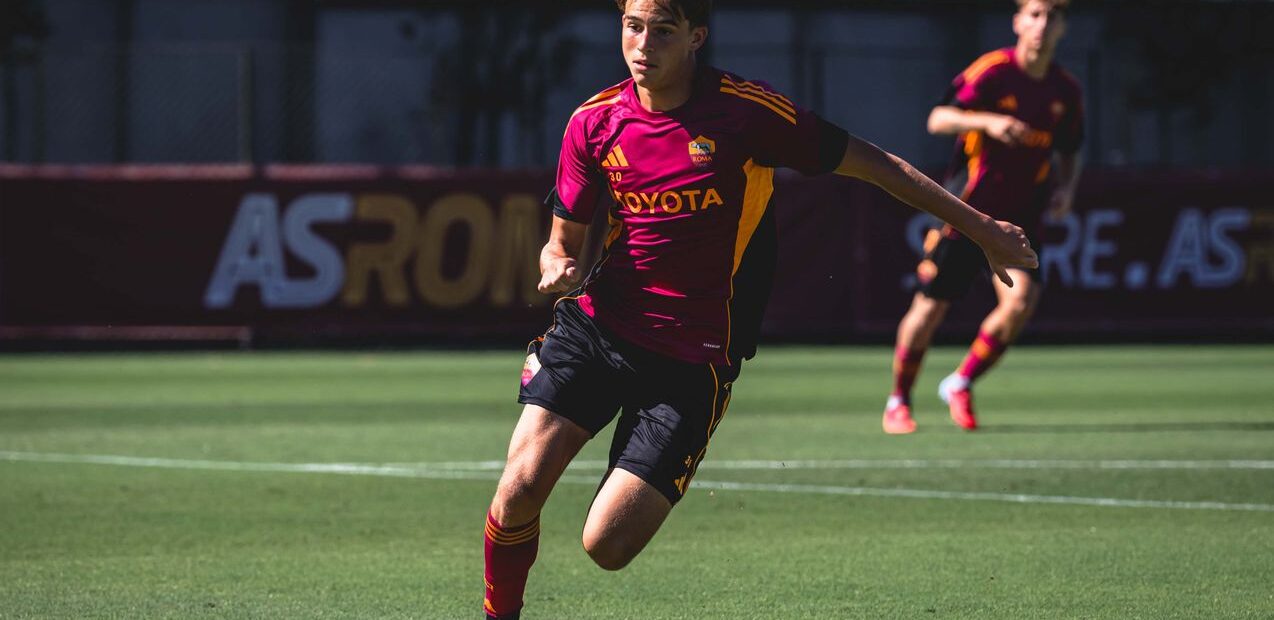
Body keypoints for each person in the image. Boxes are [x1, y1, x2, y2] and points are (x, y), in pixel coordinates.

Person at [483, 1, 1038, 617]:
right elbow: (561, 240)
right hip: (598, 328)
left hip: (692, 359)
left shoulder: (746, 113)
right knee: (519, 489)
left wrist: (982, 228)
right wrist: (556, 263)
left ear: (696, 37)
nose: (643, 45)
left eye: (662, 31)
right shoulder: (594, 121)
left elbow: (878, 166)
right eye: (633, 27)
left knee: (607, 546)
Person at [882, 0, 1083, 435]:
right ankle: (898, 399)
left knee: (1021, 303)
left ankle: (961, 381)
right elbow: (938, 119)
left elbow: (1070, 149)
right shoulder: (993, 71)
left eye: (1052, 17)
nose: (1042, 24)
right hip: (965, 213)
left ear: (1063, 28)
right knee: (929, 309)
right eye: (1034, 14)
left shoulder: (1065, 90)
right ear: (1017, 21)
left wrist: (1067, 189)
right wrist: (989, 123)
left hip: (1019, 220)